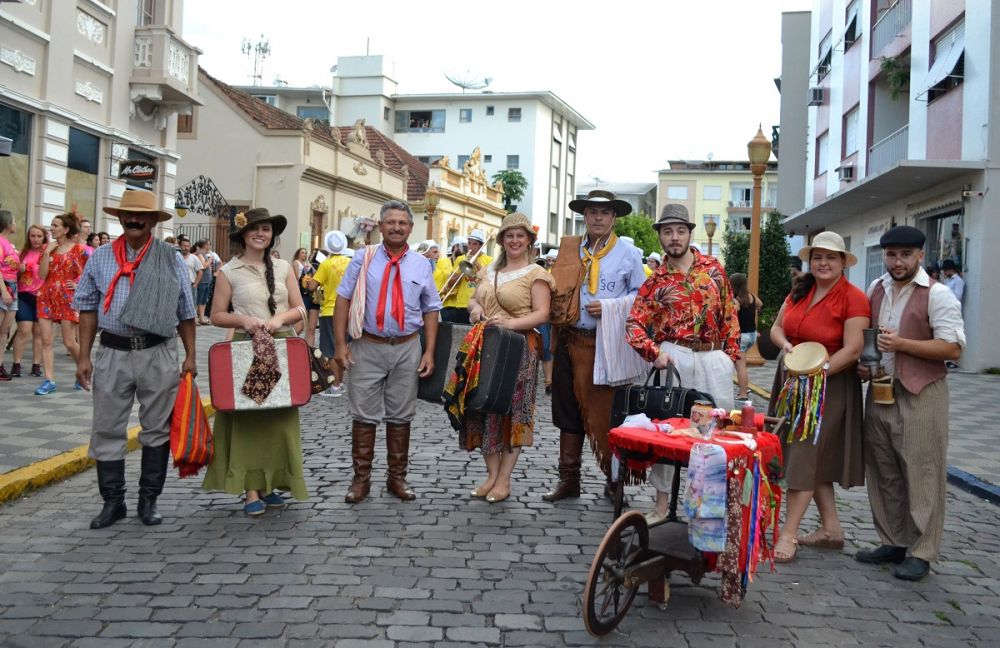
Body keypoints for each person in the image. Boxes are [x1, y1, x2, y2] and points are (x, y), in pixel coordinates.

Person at [73, 188, 198, 528]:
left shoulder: (170, 257)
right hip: (112, 351)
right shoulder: (99, 257)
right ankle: (113, 503)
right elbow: (85, 308)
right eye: (127, 215)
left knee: (157, 428)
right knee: (106, 427)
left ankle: (148, 500)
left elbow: (186, 311)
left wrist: (191, 356)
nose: (133, 220)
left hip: (158, 351)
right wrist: (83, 357)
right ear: (119, 219)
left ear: (153, 221)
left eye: (141, 216)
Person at [855, 226, 965, 581]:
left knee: (923, 472)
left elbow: (952, 348)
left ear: (920, 255)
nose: (897, 261)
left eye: (905, 254)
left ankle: (922, 551)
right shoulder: (875, 289)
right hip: (881, 388)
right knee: (884, 470)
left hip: (922, 391)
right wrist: (863, 364)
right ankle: (894, 540)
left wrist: (901, 344)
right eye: (891, 254)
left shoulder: (939, 295)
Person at [625, 204, 741, 524]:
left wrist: (728, 359)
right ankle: (662, 505)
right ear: (660, 236)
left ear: (690, 233)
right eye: (667, 231)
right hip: (673, 357)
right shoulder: (655, 281)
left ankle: (703, 506)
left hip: (712, 359)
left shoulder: (714, 269)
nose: (674, 237)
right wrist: (653, 352)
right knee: (668, 432)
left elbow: (731, 316)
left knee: (710, 433)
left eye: (679, 230)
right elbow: (634, 324)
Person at [767, 231, 869, 562]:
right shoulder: (800, 290)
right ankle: (832, 530)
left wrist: (818, 374)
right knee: (811, 456)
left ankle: (789, 534)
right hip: (792, 380)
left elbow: (853, 349)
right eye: (818, 257)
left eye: (831, 257)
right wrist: (785, 346)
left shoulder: (854, 297)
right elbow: (777, 329)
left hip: (829, 385)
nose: (823, 263)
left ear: (843, 262)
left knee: (804, 458)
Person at [202, 208, 310, 515]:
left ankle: (272, 483)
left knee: (279, 421)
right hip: (246, 350)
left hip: (282, 348)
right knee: (248, 418)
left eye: (265, 229)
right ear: (243, 235)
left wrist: (279, 320)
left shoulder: (285, 266)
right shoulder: (229, 271)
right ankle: (251, 490)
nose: (260, 233)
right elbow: (216, 315)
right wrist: (245, 320)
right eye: (254, 229)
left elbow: (300, 308)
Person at [333, 200, 442, 503]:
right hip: (367, 346)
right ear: (381, 226)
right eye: (390, 222)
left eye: (402, 223)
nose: (396, 227)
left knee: (401, 415)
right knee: (363, 415)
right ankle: (361, 480)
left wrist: (429, 351)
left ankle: (397, 479)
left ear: (410, 228)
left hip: (407, 347)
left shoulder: (422, 264)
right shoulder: (362, 258)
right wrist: (340, 345)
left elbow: (431, 309)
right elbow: (342, 300)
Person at [544, 189, 646, 502]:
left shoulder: (629, 255)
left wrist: (613, 306)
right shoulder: (569, 250)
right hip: (569, 340)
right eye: (591, 212)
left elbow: (642, 300)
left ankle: (614, 481)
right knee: (567, 411)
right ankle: (569, 479)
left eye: (604, 213)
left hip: (605, 345)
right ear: (584, 216)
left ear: (614, 217)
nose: (597, 218)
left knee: (607, 414)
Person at [460, 213, 554, 502]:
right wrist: (475, 309)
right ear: (501, 240)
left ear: (528, 241)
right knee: (482, 408)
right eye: (509, 235)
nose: (514, 240)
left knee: (513, 412)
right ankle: (490, 475)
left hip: (520, 348)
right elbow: (475, 298)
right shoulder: (489, 270)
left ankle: (504, 479)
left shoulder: (536, 274)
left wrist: (510, 324)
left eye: (520, 236)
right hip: (487, 346)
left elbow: (542, 313)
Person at [35, 212, 87, 395]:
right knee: (46, 340)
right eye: (51, 225)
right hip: (46, 295)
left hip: (67, 297)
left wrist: (79, 283)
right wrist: (47, 252)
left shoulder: (79, 249)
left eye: (56, 225)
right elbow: (41, 275)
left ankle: (83, 371)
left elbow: (88, 273)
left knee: (69, 342)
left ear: (66, 229)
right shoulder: (47, 248)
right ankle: (49, 380)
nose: (52, 228)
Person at [307, 230, 353, 396]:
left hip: (330, 310)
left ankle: (335, 385)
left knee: (330, 349)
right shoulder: (350, 262)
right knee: (344, 346)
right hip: (348, 310)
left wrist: (308, 280)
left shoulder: (326, 264)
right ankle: (340, 383)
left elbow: (313, 286)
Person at [10, 224, 48, 379]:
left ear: (44, 237)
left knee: (38, 333)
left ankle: (36, 365)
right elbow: (11, 272)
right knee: (24, 330)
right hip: (24, 295)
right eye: (33, 236)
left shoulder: (48, 254)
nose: (36, 239)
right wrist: (19, 269)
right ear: (28, 237)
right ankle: (16, 364)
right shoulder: (21, 253)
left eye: (39, 236)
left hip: (42, 297)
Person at [435, 231, 492, 324]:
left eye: (475, 244)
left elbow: (488, 280)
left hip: (478, 305)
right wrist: (462, 269)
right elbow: (450, 283)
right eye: (469, 243)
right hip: (461, 304)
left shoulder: (489, 260)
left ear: (481, 246)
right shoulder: (460, 259)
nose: (471, 246)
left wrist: (476, 264)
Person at [729, 272, 763, 400]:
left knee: (740, 366)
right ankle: (744, 387)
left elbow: (733, 312)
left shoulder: (736, 300)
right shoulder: (751, 296)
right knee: (739, 364)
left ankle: (743, 393)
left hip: (742, 337)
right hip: (752, 335)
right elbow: (760, 304)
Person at [0, 210, 19, 380]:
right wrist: (4, 290)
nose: (16, 224)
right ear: (7, 223)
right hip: (4, 286)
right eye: (14, 221)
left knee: (4, 330)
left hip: (13, 287)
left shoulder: (8, 244)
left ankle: (0, 365)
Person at [177, 236, 202, 306]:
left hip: (191, 285)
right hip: (178, 285)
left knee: (191, 306)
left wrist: (196, 284)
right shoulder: (176, 257)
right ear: (180, 246)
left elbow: (200, 271)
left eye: (188, 246)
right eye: (184, 246)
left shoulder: (194, 258)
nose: (186, 248)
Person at [193, 239, 214, 325]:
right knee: (199, 300)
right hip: (202, 281)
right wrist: (210, 260)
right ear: (205, 245)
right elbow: (203, 266)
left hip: (206, 280)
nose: (210, 246)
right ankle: (196, 318)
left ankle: (202, 318)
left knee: (204, 300)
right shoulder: (199, 254)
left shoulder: (204, 254)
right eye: (209, 244)